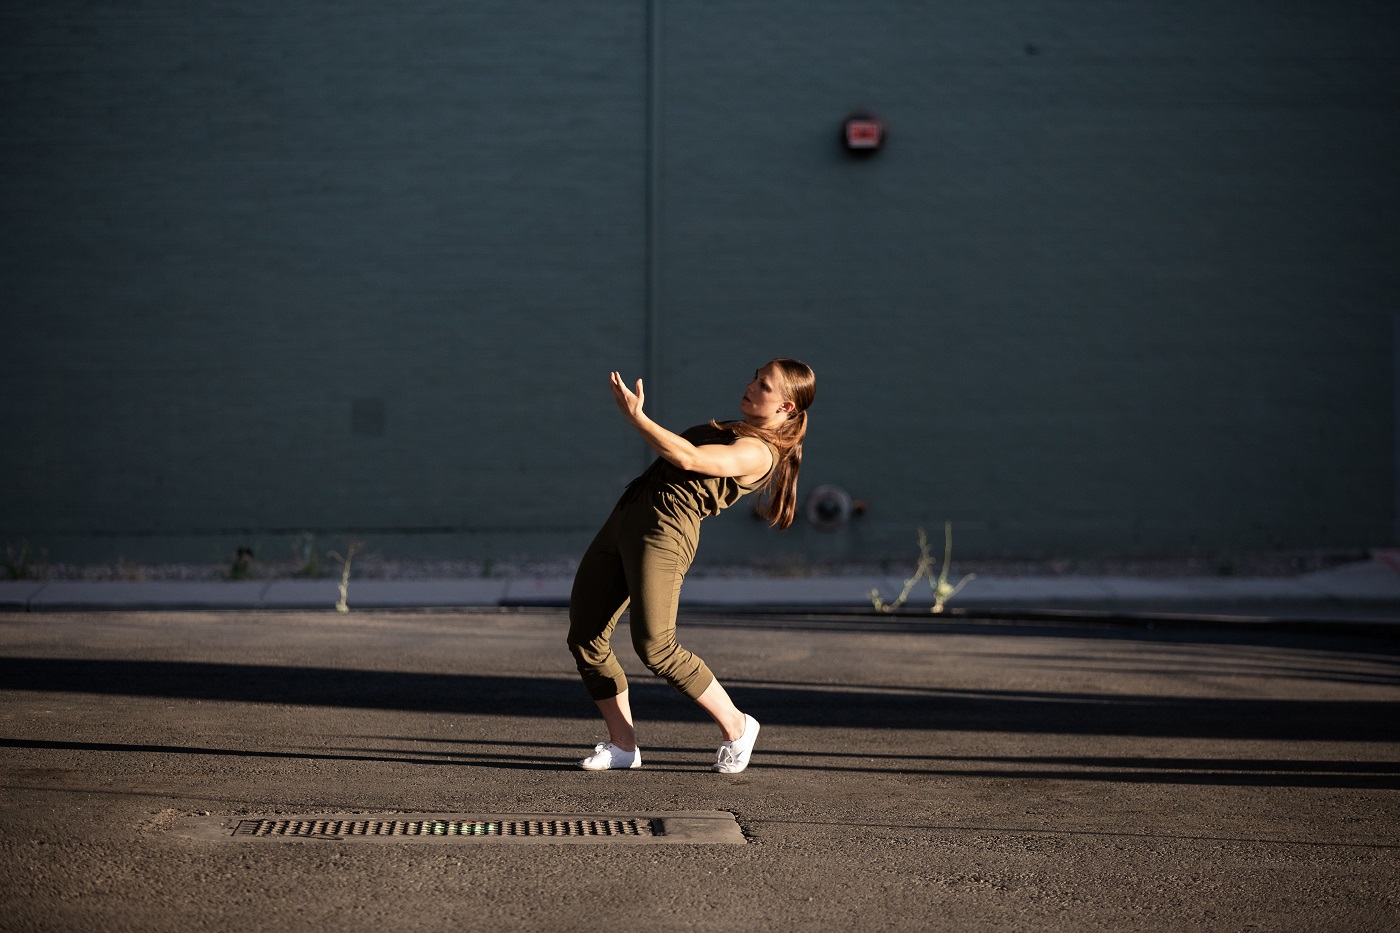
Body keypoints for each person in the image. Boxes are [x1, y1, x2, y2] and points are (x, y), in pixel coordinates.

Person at [566, 358, 816, 773]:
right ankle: (623, 746)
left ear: (786, 407)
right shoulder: (739, 430)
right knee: (586, 637)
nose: (752, 386)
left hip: (664, 533)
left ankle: (738, 725)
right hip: (627, 520)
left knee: (656, 647)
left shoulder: (758, 452)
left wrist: (637, 418)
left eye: (765, 385)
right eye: (754, 377)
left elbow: (687, 458)